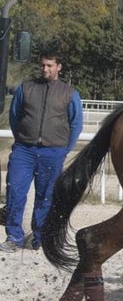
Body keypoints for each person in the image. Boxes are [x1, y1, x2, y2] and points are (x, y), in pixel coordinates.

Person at [2, 53, 83, 252]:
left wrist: (64, 149)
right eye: (43, 65)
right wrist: (23, 138)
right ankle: (14, 237)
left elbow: (76, 124)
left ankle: (39, 238)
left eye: (49, 65)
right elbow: (15, 117)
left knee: (46, 197)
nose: (45, 69)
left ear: (59, 67)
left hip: (53, 152)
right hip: (24, 150)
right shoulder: (26, 88)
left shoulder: (69, 93)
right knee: (15, 191)